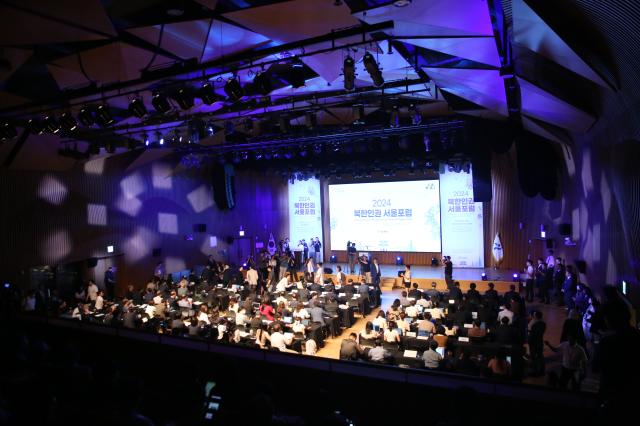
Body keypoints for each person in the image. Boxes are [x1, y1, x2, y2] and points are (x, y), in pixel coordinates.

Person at [528, 310, 546, 376]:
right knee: (540, 355)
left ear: (536, 316)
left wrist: (529, 341)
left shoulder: (533, 324)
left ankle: (534, 370)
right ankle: (542, 370)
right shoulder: (543, 323)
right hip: (540, 341)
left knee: (533, 356)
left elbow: (530, 334)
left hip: (533, 342)